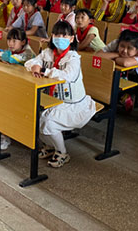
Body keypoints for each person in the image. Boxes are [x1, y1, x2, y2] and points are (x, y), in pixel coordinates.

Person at [25, 21, 97, 168]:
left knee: (48, 122)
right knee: (36, 119)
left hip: (72, 104)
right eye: (57, 35)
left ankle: (62, 152)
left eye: (64, 35)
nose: (60, 38)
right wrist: (35, 66)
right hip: (53, 99)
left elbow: (68, 76)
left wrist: (44, 71)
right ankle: (50, 146)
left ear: (71, 38)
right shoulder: (48, 53)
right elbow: (32, 62)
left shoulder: (73, 57)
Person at [98, 29, 138, 124]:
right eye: (122, 46)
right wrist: (117, 54)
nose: (124, 51)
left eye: (129, 48)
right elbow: (98, 55)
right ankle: (125, 97)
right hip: (132, 72)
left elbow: (126, 63)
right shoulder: (117, 43)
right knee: (109, 80)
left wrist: (112, 56)